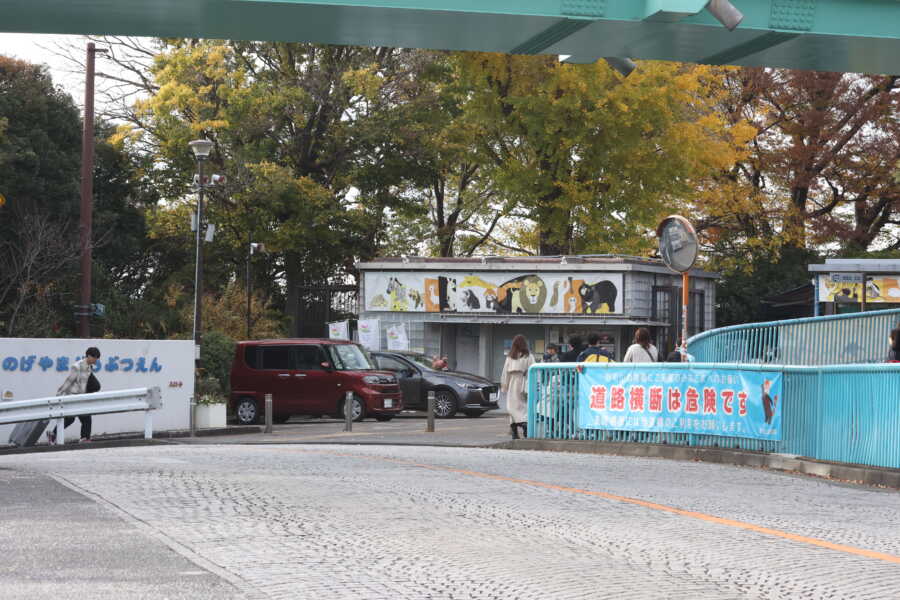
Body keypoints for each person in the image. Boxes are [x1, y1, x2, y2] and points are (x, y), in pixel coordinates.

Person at [48, 346, 100, 444]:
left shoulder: (89, 367)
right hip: (73, 397)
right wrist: (59, 394)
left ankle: (84, 438)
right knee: (70, 419)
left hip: (81, 397)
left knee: (86, 417)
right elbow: (69, 381)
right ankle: (53, 434)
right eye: (95, 357)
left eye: (97, 358)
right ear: (89, 356)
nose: (96, 360)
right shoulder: (77, 366)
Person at [501, 335, 534, 440]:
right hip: (524, 381)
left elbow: (505, 373)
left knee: (511, 407)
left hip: (512, 382)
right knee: (523, 406)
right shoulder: (529, 356)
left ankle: (515, 430)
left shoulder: (510, 356)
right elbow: (533, 370)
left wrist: (504, 386)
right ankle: (524, 425)